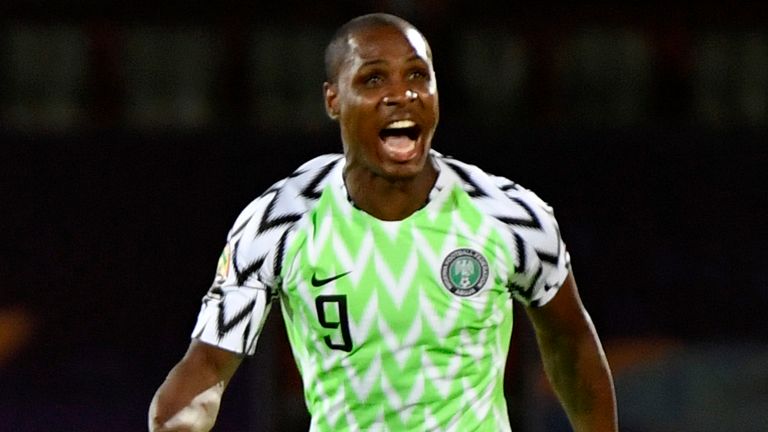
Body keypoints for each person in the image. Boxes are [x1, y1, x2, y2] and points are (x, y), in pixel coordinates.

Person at [148, 13, 618, 432]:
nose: (402, 94)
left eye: (418, 75)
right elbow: (207, 367)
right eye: (374, 80)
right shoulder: (278, 223)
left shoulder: (509, 215)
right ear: (333, 100)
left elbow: (569, 340)